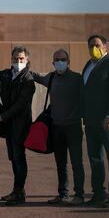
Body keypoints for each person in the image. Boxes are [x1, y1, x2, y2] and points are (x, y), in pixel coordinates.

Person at [32, 49, 85, 206]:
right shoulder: (51, 77)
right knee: (61, 163)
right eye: (57, 60)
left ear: (68, 62)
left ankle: (80, 195)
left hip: (73, 127)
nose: (60, 62)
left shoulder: (77, 78)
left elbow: (85, 99)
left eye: (63, 59)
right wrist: (23, 66)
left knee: (77, 163)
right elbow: (36, 77)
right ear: (53, 63)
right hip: (57, 128)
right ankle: (63, 194)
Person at [0, 45, 35, 206]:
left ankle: (19, 192)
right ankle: (17, 191)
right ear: (11, 59)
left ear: (27, 59)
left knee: (19, 157)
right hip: (8, 125)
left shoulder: (28, 80)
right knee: (13, 159)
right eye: (15, 58)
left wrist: (2, 116)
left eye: (21, 58)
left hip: (20, 125)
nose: (18, 61)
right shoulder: (7, 74)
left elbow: (20, 105)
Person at [82, 35, 109, 208]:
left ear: (105, 46)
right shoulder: (88, 65)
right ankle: (98, 194)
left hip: (107, 121)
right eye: (91, 45)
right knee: (95, 159)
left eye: (97, 45)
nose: (94, 48)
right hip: (91, 122)